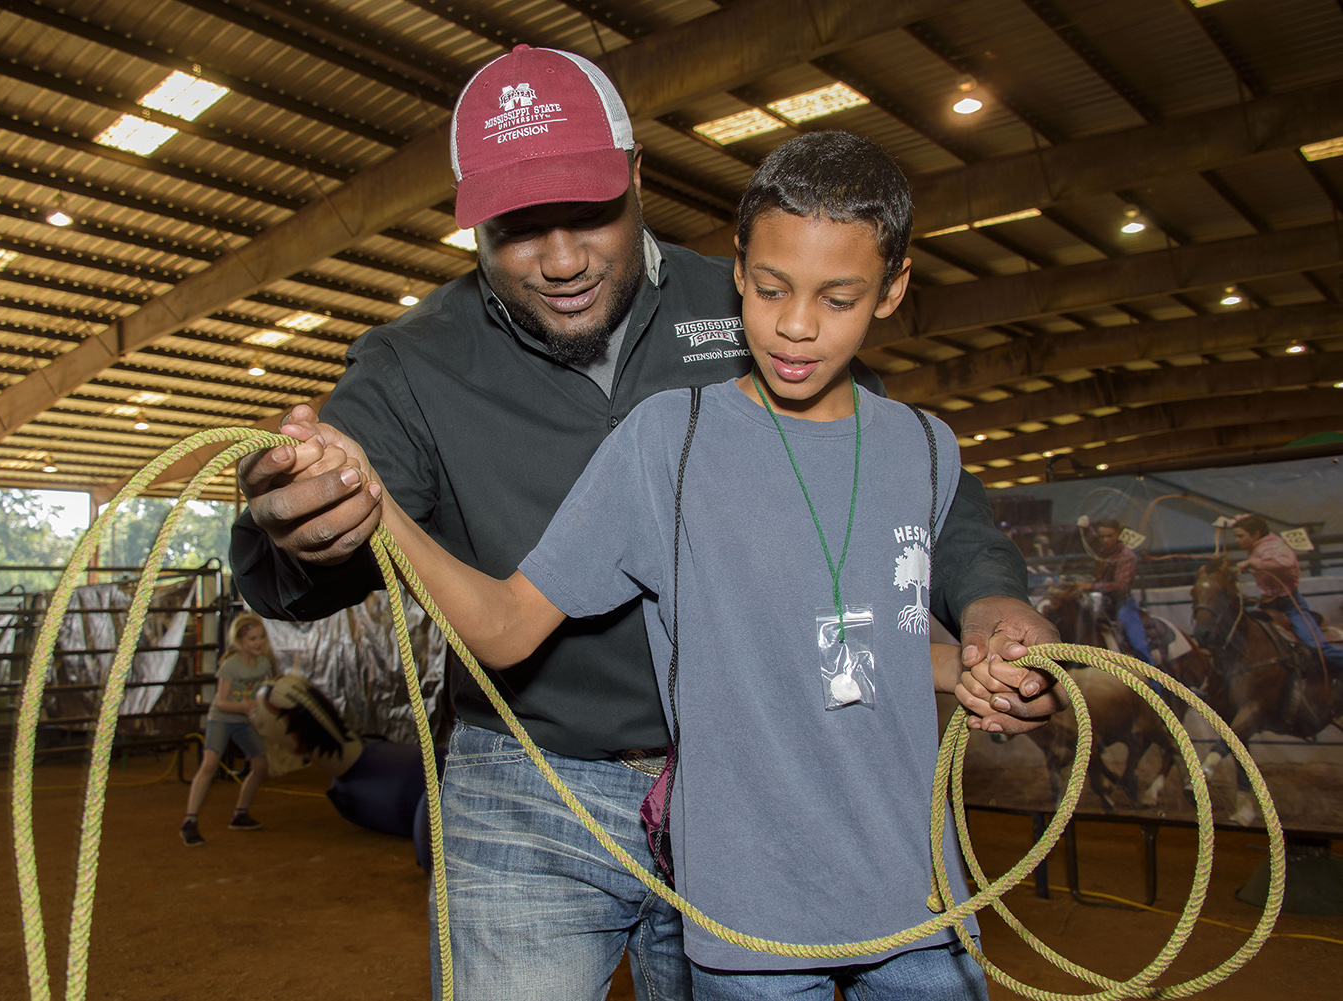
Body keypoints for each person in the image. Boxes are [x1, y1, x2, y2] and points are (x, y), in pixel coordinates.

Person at [230, 45, 1060, 1000]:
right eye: (518, 228)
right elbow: (306, 539)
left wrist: (993, 604)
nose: (562, 258)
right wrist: (296, 517)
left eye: (587, 214)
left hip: (745, 787)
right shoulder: (411, 364)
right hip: (528, 783)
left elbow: (901, 491)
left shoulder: (760, 303)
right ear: (471, 221)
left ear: (636, 177)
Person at [180, 613, 273, 846]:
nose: (258, 642)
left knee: (260, 765)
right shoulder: (230, 666)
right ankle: (189, 822)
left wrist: (260, 712)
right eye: (252, 639)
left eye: (261, 637)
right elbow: (221, 702)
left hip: (244, 720)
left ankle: (240, 814)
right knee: (210, 764)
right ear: (239, 642)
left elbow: (263, 695)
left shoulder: (264, 665)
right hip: (222, 718)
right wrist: (245, 707)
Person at [1232, 514, 1343, 677]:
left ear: (1255, 534)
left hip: (1290, 604)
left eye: (1240, 536)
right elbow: (1243, 520)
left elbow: (1286, 562)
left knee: (1315, 646)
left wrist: (1251, 563)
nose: (1237, 540)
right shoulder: (1260, 543)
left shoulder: (1275, 546)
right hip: (1268, 604)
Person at [1075, 517, 1152, 665]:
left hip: (1123, 603)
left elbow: (1121, 585)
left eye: (1109, 536)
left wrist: (1091, 586)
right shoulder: (1102, 552)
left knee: (1138, 644)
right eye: (1102, 536)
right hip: (1104, 602)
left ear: (1118, 535)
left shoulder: (1126, 555)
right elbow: (1091, 536)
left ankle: (1153, 683)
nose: (1105, 540)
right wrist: (1086, 526)